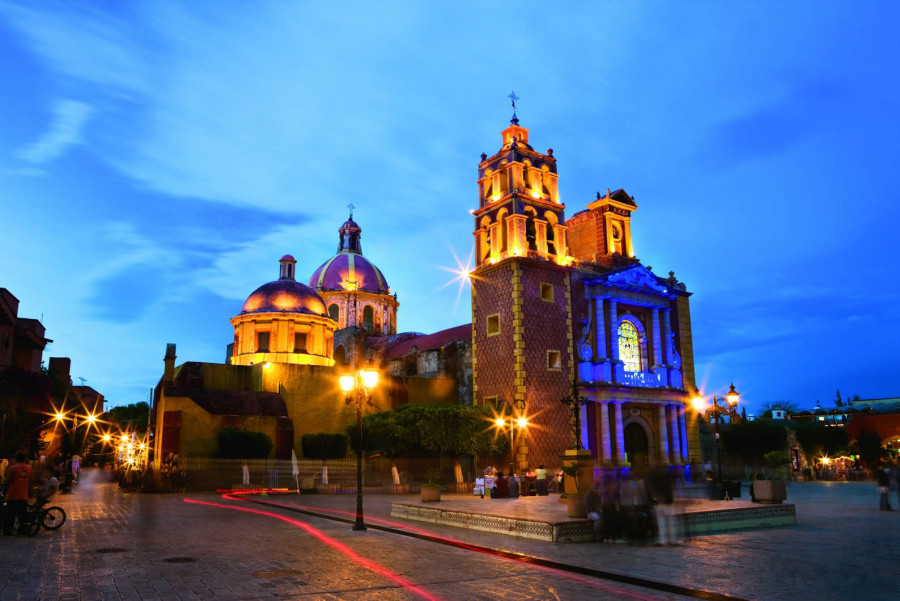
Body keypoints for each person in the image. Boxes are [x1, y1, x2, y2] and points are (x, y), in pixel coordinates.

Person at [3, 452, 32, 536]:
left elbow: (8, 481)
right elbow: (30, 481)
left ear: (16, 459)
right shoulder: (29, 468)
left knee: (10, 514)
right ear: (24, 459)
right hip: (23, 495)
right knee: (22, 514)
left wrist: (4, 491)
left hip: (12, 495)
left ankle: (8, 530)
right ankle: (21, 530)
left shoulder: (12, 468)